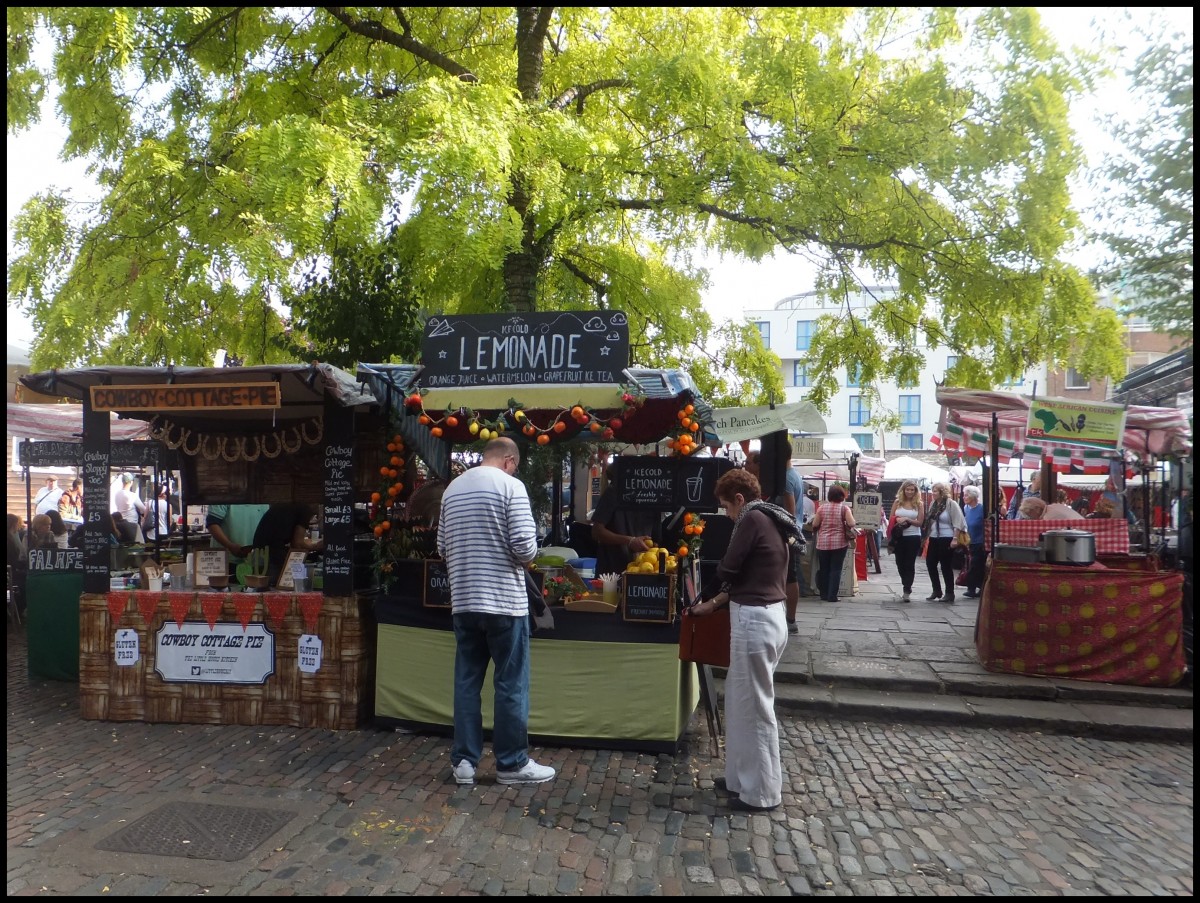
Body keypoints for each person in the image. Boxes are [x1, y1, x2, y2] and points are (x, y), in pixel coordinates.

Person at [436, 437, 554, 787]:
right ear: (509, 460)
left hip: (464, 600)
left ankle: (465, 764)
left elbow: (442, 547)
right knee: (510, 682)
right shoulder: (511, 486)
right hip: (504, 602)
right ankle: (512, 764)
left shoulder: (452, 490)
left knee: (467, 681)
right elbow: (524, 548)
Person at [686, 467, 789, 812]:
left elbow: (728, 569)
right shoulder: (771, 518)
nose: (727, 515)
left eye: (727, 507)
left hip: (755, 620)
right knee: (740, 702)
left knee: (755, 707)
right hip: (765, 615)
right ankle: (739, 779)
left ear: (739, 500)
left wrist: (706, 598)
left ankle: (761, 793)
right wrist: (713, 603)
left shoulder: (751, 519)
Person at [745, 452, 810, 633]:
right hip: (790, 533)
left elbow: (788, 511)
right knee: (789, 575)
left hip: (787, 536)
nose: (745, 465)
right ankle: (788, 618)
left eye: (748, 462)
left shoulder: (785, 479)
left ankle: (789, 619)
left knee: (789, 576)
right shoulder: (793, 474)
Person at [590, 463, 660, 577]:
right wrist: (630, 541)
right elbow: (596, 532)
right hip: (612, 572)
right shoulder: (612, 494)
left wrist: (651, 550)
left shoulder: (653, 496)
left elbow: (656, 539)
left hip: (642, 570)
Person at [252, 503, 325, 584]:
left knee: (262, 588)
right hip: (272, 553)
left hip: (258, 549)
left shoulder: (290, 504)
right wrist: (316, 547)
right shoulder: (305, 508)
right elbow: (298, 544)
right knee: (275, 587)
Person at [810, 485, 856, 604]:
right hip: (839, 543)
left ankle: (823, 594)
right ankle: (832, 596)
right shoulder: (844, 509)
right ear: (842, 496)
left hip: (823, 543)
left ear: (829, 495)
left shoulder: (822, 508)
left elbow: (815, 524)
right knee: (836, 569)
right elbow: (851, 523)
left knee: (824, 569)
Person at [922, 482, 966, 603]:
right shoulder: (933, 504)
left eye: (935, 491)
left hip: (947, 537)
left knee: (945, 565)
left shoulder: (951, 504)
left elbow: (958, 521)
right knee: (930, 563)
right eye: (933, 490)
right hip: (934, 537)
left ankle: (949, 593)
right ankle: (936, 590)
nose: (933, 493)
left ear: (942, 492)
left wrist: (955, 538)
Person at [889, 480, 925, 603]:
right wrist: (897, 519)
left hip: (913, 537)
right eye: (907, 489)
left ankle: (907, 588)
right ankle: (906, 582)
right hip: (899, 537)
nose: (909, 492)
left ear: (915, 491)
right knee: (899, 562)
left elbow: (920, 523)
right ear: (903, 490)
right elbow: (891, 519)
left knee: (909, 563)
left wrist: (907, 519)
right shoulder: (898, 502)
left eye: (912, 490)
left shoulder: (919, 504)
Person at [961, 486, 987, 599]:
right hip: (970, 541)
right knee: (973, 565)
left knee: (975, 565)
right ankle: (977, 588)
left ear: (974, 496)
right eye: (964, 495)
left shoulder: (982, 509)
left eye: (966, 495)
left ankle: (972, 588)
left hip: (980, 541)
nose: (964, 497)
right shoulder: (966, 508)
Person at [114, 473, 147, 542]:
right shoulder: (132, 495)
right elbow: (144, 510)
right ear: (131, 482)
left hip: (121, 524)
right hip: (132, 525)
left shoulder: (117, 494)